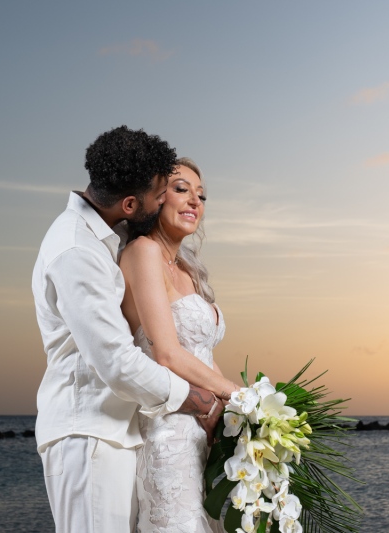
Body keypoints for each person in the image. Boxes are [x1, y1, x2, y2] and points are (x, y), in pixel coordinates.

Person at [31, 126, 221, 533]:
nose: (182, 200)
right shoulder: (77, 249)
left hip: (120, 431)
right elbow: (116, 361)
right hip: (87, 432)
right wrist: (201, 401)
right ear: (132, 204)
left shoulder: (105, 237)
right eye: (164, 192)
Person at [120, 158, 235, 532]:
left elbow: (205, 355)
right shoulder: (142, 251)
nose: (194, 202)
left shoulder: (188, 269)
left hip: (207, 430)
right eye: (182, 189)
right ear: (154, 198)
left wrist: (240, 413)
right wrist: (235, 395)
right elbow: (166, 353)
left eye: (201, 195)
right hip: (172, 432)